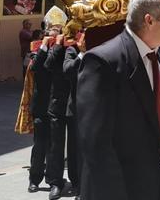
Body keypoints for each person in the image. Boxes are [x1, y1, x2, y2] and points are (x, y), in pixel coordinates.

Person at [76, 0, 160, 200]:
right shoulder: (102, 62)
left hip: (154, 181)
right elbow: (96, 144)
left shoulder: (157, 55)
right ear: (149, 20)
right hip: (120, 188)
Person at [44, 27, 73, 200]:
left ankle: (77, 181)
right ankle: (55, 182)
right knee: (55, 144)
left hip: (75, 100)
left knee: (76, 144)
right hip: (56, 102)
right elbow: (47, 64)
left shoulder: (77, 46)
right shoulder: (56, 48)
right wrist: (58, 45)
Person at [27, 29, 51, 193]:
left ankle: (54, 179)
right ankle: (35, 179)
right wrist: (43, 47)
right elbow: (35, 67)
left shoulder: (64, 50)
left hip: (59, 106)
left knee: (55, 147)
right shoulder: (36, 51)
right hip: (41, 107)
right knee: (39, 145)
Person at [62, 33, 84, 200]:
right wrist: (82, 53)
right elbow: (68, 69)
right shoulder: (72, 50)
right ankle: (77, 183)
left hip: (96, 107)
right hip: (76, 107)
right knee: (75, 148)